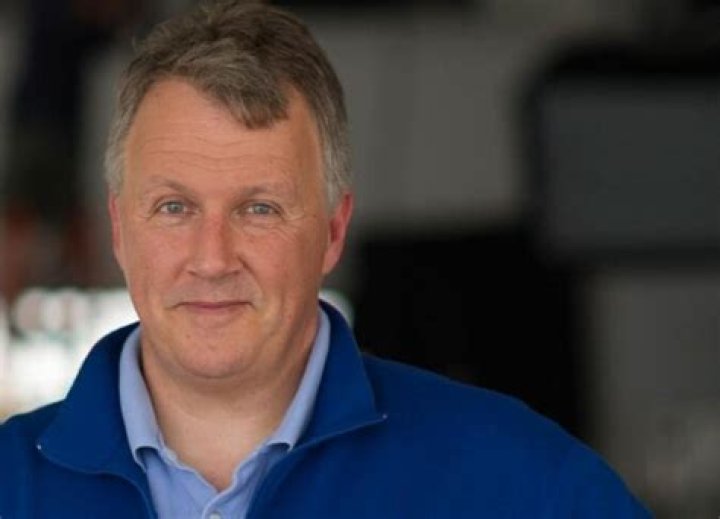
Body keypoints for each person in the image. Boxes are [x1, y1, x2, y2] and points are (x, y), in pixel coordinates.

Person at [0, 1, 652, 517]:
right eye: (174, 207)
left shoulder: (524, 485)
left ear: (333, 230)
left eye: (259, 208)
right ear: (120, 228)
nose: (212, 258)